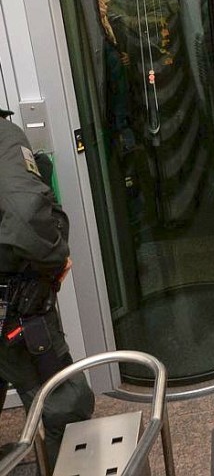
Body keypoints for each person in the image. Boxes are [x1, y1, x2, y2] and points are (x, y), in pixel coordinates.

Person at [0, 108, 95, 467]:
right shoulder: (3, 137)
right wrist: (55, 257)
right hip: (16, 312)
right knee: (65, 404)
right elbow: (26, 213)